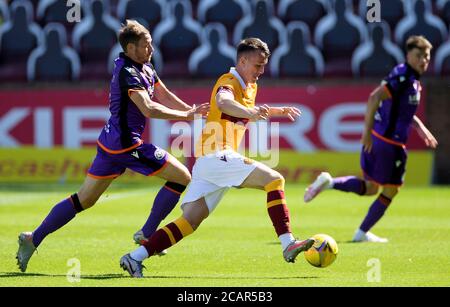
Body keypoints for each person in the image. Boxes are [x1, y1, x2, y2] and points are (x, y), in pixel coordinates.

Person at [16, 20, 209, 272]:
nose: (151, 49)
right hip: (128, 146)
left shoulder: (145, 66)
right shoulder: (128, 72)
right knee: (182, 177)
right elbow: (148, 108)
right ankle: (147, 234)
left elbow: (163, 94)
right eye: (146, 45)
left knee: (84, 199)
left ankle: (34, 238)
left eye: (151, 43)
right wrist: (186, 116)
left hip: (110, 144)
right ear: (130, 48)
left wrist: (190, 110)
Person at [119, 37, 315, 278]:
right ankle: (288, 243)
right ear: (242, 61)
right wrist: (250, 113)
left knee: (189, 221)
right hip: (216, 155)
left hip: (209, 162)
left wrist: (276, 111)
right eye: (257, 65)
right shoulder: (228, 81)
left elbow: (243, 108)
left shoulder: (250, 85)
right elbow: (224, 102)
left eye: (264, 65)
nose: (261, 71)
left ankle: (134, 257)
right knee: (274, 180)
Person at [304, 35, 438, 243]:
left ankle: (330, 184)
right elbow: (375, 97)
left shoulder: (410, 80)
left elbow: (402, 111)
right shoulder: (403, 78)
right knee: (391, 189)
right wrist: (365, 133)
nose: (423, 60)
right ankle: (361, 233)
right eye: (419, 55)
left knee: (371, 187)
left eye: (427, 57)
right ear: (408, 55)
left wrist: (420, 128)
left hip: (381, 140)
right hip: (388, 144)